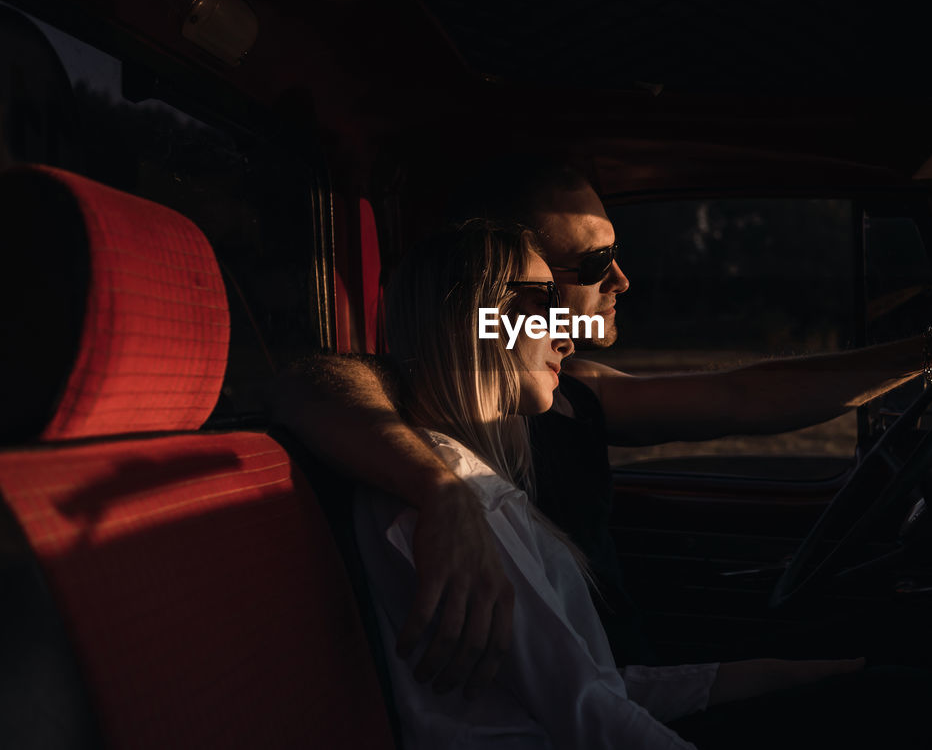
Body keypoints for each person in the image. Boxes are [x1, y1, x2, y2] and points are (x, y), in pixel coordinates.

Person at [269, 156, 932, 695]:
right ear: (503, 279)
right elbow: (314, 382)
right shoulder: (430, 401)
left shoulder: (573, 393)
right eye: (594, 261)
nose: (621, 281)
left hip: (635, 678)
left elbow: (746, 397)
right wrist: (443, 491)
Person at [358, 218, 868, 748]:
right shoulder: (465, 494)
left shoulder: (469, 478)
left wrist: (767, 677)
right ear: (480, 319)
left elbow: (593, 689)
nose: (566, 329)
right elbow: (591, 717)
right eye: (544, 299)